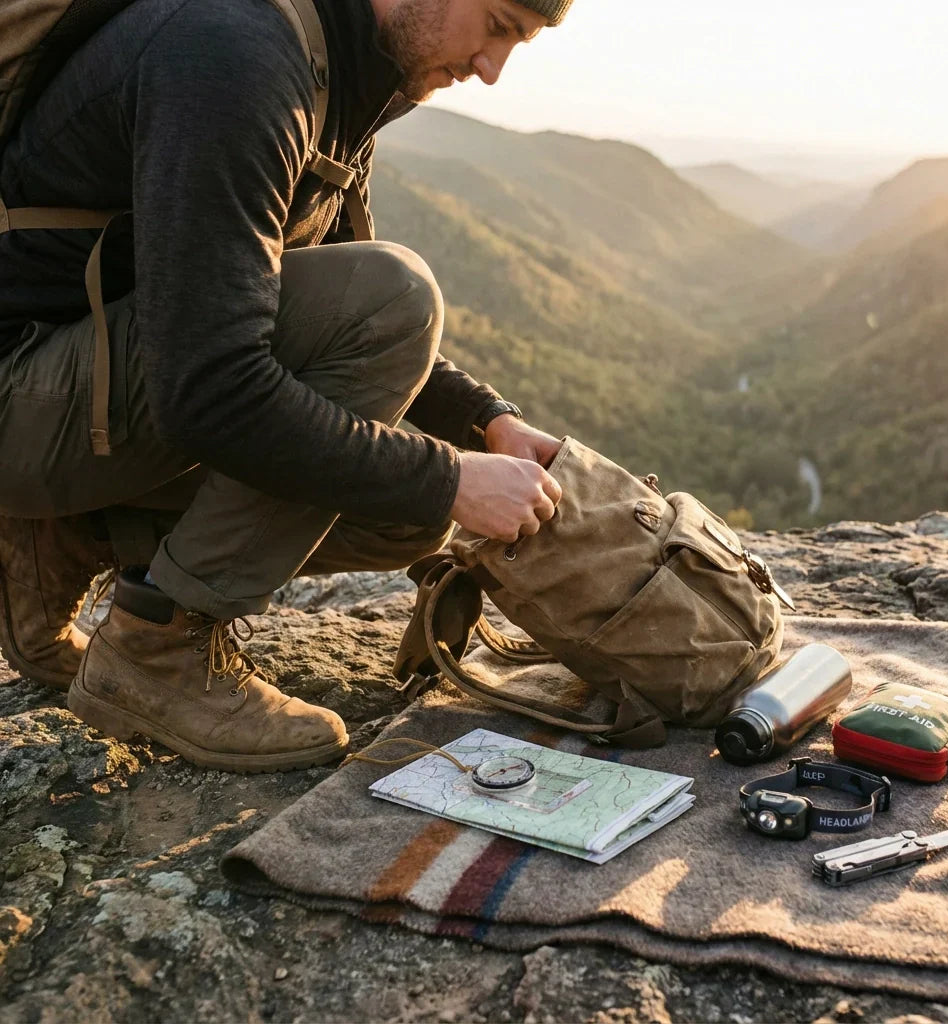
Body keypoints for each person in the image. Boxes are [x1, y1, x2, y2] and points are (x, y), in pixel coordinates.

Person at [0, 0, 570, 772]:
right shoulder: (234, 53)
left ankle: (57, 536)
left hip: (83, 383)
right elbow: (217, 390)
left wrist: (485, 423)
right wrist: (447, 477)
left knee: (406, 519)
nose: (492, 68)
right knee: (400, 306)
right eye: (498, 24)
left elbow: (310, 311)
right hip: (22, 391)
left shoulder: (344, 67)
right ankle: (158, 647)